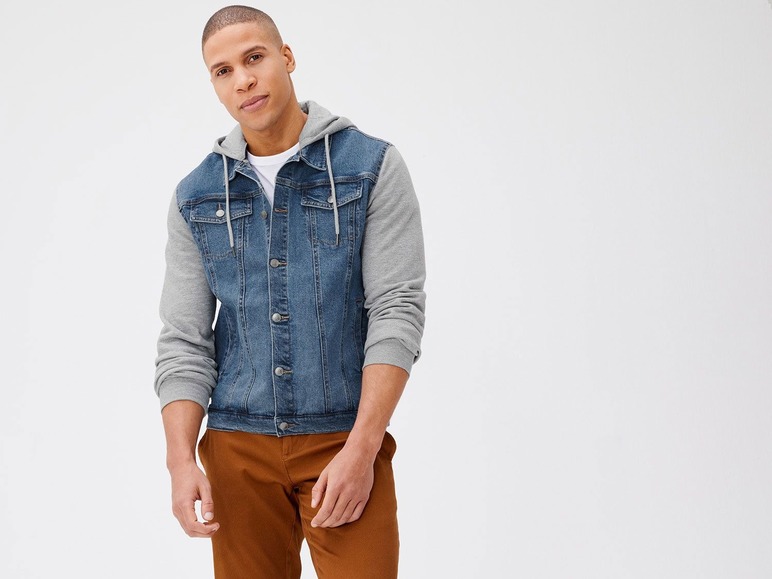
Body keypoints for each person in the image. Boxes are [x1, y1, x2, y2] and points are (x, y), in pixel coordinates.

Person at [153, 5, 426, 578]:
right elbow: (184, 340)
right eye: (223, 71)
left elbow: (396, 310)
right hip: (237, 447)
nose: (243, 80)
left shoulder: (371, 167)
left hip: (343, 438)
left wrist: (362, 449)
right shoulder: (196, 196)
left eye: (253, 58)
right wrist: (181, 462)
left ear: (287, 57)